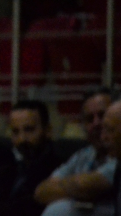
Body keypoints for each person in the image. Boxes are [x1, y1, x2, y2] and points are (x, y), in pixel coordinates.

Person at [36, 88, 116, 216]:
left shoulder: (119, 157)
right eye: (90, 119)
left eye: (102, 115)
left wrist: (67, 185)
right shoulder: (83, 155)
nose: (96, 123)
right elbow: (42, 192)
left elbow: (87, 186)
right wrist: (78, 186)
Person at [0, 100, 62, 216]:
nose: (22, 139)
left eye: (29, 130)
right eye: (15, 132)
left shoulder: (58, 171)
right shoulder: (8, 169)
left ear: (48, 130)